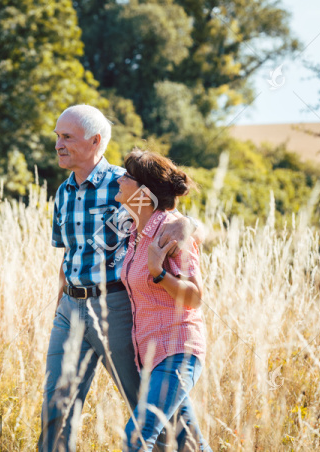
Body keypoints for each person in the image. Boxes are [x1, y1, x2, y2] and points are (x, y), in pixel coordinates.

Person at [39, 105, 202, 451]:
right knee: (56, 407)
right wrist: (59, 307)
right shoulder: (62, 194)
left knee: (146, 408)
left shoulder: (124, 185)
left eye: (66, 137)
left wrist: (186, 224)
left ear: (95, 141)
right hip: (70, 308)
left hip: (116, 306)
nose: (58, 144)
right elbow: (67, 256)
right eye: (57, 136)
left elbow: (171, 214)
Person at [115, 149, 210, 452]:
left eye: (127, 176)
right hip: (151, 357)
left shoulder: (170, 231)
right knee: (190, 445)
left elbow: (194, 297)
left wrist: (159, 273)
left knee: (136, 438)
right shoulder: (134, 230)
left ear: (144, 192)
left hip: (177, 350)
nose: (119, 178)